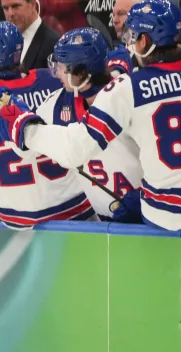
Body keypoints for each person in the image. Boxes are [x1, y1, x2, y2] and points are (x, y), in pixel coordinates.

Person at [0, 0, 181, 230]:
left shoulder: (128, 87)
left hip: (170, 216)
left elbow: (75, 148)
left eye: (131, 37)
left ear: (144, 41)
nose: (128, 44)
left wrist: (24, 128)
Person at [38, 28, 143, 220]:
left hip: (152, 215)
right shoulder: (56, 104)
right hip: (101, 222)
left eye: (61, 67)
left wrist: (149, 195)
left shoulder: (127, 94)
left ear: (80, 72)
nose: (57, 74)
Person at [1, 0, 59, 70]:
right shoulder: (2, 40)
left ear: (32, 5)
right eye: (5, 8)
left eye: (15, 6)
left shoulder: (54, 45)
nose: (10, 13)